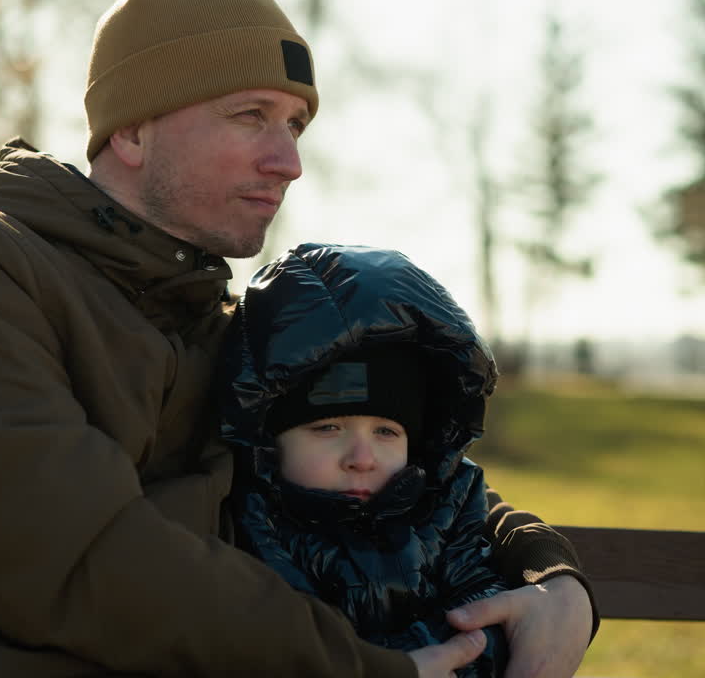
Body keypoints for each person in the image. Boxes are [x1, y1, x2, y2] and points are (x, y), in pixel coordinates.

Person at [0, 0, 596, 678]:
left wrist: (552, 577)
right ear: (130, 131)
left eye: (296, 124)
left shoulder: (225, 325)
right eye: (251, 116)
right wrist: (366, 670)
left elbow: (425, 481)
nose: (287, 161)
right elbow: (69, 558)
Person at [219, 243, 520, 677]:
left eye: (386, 432)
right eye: (327, 428)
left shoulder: (447, 510)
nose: (362, 459)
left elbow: (482, 617)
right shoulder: (248, 524)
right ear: (269, 442)